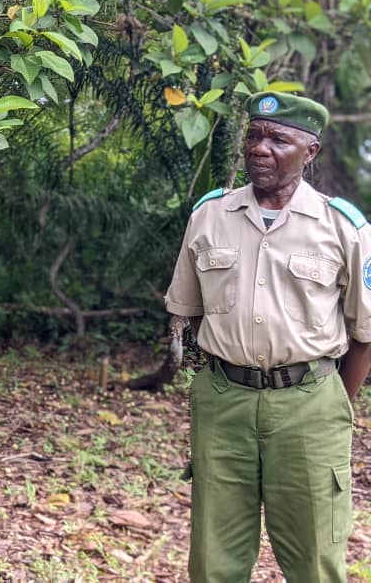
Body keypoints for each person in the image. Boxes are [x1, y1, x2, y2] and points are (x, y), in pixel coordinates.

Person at [165, 90, 371, 582]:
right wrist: (228, 363)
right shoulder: (210, 216)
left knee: (315, 559)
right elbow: (192, 311)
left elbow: (365, 332)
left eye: (278, 139)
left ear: (310, 151)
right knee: (215, 558)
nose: (260, 148)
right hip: (224, 402)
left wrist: (331, 402)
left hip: (310, 404)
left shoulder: (343, 227)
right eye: (254, 136)